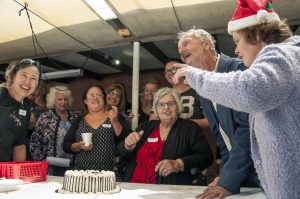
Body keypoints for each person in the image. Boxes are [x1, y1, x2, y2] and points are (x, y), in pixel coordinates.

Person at [173, 0, 300, 198]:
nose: (236, 50)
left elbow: (251, 93)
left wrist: (193, 76)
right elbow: (223, 138)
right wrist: (226, 176)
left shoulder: (278, 55)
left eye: (237, 41)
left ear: (257, 34)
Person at [176, 28, 260, 198]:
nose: (182, 51)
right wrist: (226, 176)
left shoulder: (240, 70)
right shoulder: (202, 86)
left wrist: (229, 180)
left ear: (207, 44)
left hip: (263, 171)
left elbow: (247, 132)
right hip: (241, 175)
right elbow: (222, 139)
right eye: (179, 51)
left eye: (186, 43)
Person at [117, 87, 213, 185]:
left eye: (171, 104)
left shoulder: (189, 128)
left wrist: (178, 164)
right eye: (161, 104)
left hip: (167, 190)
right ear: (156, 109)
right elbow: (121, 151)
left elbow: (206, 157)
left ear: (178, 107)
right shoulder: (145, 126)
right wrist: (127, 146)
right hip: (134, 186)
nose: (166, 107)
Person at [164, 59, 217, 182]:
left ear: (183, 70)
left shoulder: (198, 92)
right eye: (167, 71)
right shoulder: (163, 95)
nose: (170, 73)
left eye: (174, 69)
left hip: (195, 149)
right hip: (169, 148)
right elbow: (153, 121)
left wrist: (183, 123)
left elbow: (210, 121)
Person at [63, 85, 131, 172]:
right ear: (85, 101)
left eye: (99, 95)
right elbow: (66, 145)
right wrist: (78, 146)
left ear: (104, 99)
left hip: (109, 174)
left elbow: (127, 141)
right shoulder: (79, 120)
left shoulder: (115, 116)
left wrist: (115, 122)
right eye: (91, 95)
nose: (95, 98)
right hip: (82, 174)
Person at [30, 85, 77, 176]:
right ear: (53, 101)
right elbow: (34, 142)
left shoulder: (75, 118)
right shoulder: (45, 117)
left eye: (65, 99)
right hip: (50, 167)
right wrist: (41, 160)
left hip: (72, 168)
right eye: (59, 99)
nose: (63, 102)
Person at [0, 59, 41, 162]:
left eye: (33, 78)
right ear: (13, 76)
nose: (27, 82)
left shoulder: (25, 109)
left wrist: (19, 175)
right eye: (24, 75)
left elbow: (19, 146)